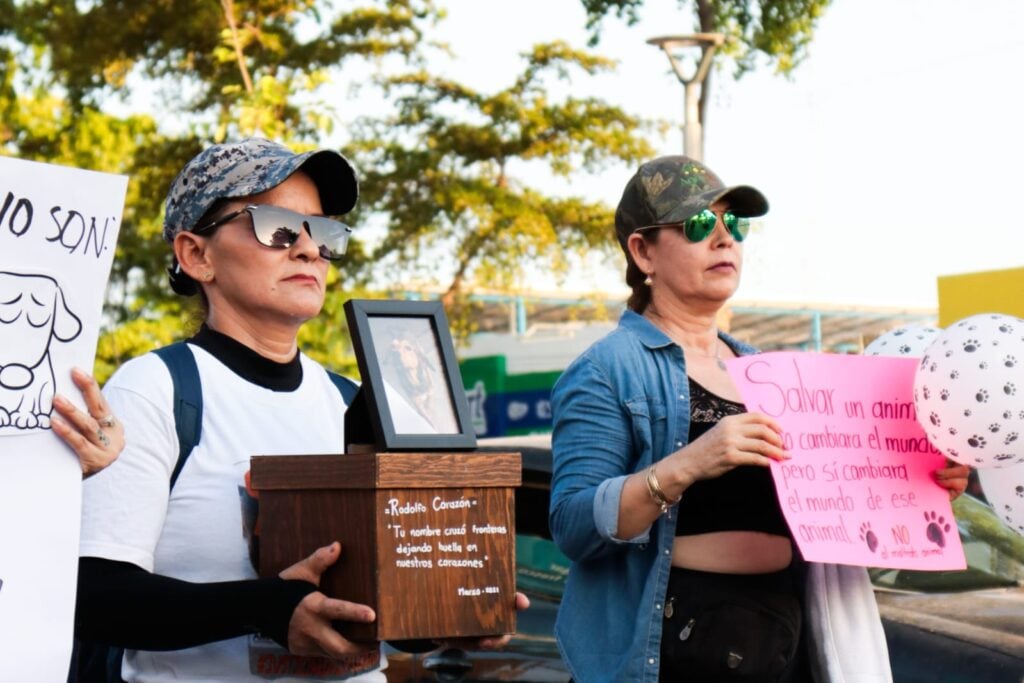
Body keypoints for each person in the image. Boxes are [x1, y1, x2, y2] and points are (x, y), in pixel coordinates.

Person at [75, 138, 524, 683]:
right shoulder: (157, 388)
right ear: (196, 255)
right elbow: (95, 592)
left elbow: (373, 600)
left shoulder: (351, 399)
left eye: (323, 231)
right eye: (277, 228)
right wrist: (269, 608)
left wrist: (447, 613)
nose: (309, 249)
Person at [547, 155, 970, 683]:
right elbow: (573, 526)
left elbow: (835, 510)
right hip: (676, 652)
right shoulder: (607, 369)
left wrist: (916, 486)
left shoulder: (770, 371)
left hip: (781, 642)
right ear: (643, 251)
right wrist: (687, 465)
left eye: (735, 225)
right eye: (700, 224)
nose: (725, 239)